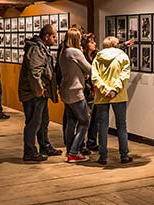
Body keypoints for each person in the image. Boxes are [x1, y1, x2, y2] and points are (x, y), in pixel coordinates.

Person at [19, 24, 62, 161]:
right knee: (34, 122)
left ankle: (45, 146)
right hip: (33, 94)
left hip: (39, 93)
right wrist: (39, 90)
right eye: (54, 36)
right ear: (46, 36)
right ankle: (30, 151)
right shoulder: (37, 49)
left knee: (43, 120)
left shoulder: (40, 48)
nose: (55, 39)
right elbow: (35, 72)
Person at [90, 36, 132, 165]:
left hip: (102, 96)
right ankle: (124, 156)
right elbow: (124, 75)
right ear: (116, 44)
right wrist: (114, 89)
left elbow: (94, 76)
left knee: (102, 126)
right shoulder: (123, 56)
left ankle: (103, 157)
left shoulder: (98, 57)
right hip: (118, 95)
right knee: (121, 125)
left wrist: (104, 89)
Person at [59, 28, 93, 163]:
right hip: (76, 91)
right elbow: (89, 69)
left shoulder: (63, 52)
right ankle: (73, 152)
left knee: (71, 122)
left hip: (66, 90)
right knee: (84, 122)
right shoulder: (75, 52)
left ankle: (69, 150)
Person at [80, 32, 99, 152]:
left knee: (95, 118)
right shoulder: (82, 57)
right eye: (92, 42)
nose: (95, 44)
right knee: (84, 119)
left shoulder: (97, 55)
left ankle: (92, 141)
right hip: (85, 91)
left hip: (96, 91)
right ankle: (81, 144)